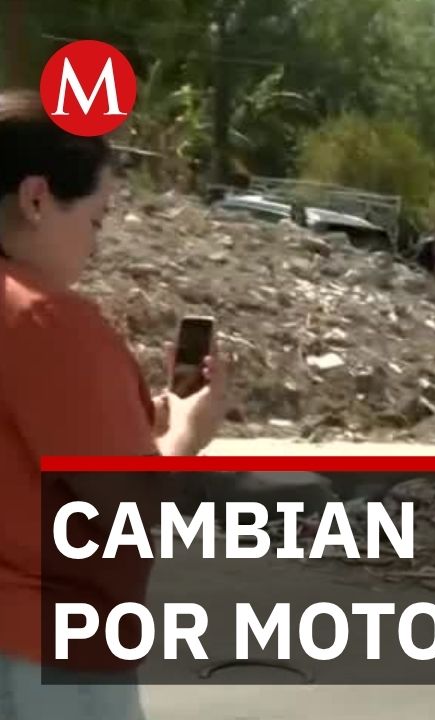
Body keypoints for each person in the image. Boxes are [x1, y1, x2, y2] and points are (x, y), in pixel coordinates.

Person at [0, 89, 228, 719]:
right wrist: (185, 436)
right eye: (95, 221)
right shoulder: (44, 319)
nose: (95, 245)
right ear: (37, 199)